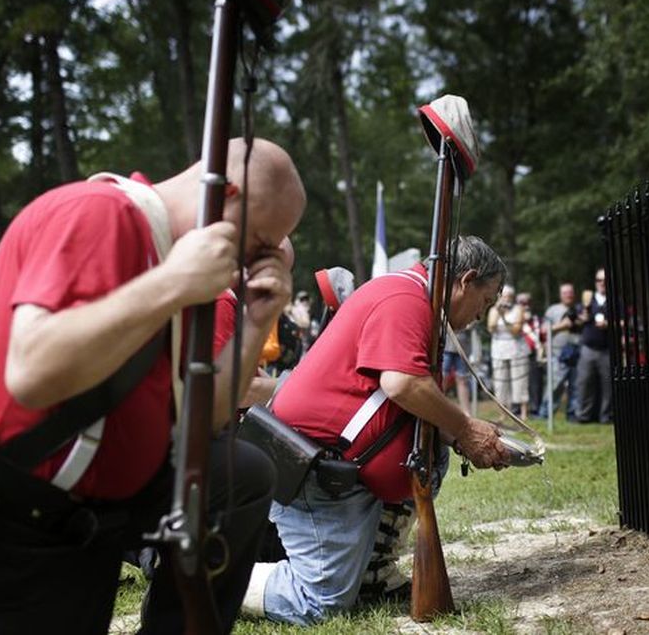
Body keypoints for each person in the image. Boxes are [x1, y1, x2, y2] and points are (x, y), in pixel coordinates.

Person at [0, 137, 306, 634]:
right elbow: (31, 371)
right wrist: (176, 283)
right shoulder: (102, 212)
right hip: (5, 516)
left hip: (81, 499)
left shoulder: (167, 259)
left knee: (239, 473)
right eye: (260, 243)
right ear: (225, 194)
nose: (256, 263)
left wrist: (257, 319)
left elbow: (206, 421)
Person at [241, 235, 511, 625]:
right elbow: (402, 383)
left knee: (429, 451)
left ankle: (373, 572)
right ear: (465, 281)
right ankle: (205, 579)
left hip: (331, 465)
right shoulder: (406, 298)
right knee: (317, 602)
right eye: (485, 301)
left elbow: (404, 399)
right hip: (312, 468)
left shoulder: (411, 296)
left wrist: (461, 435)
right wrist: (465, 428)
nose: (481, 314)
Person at [574, 268, 612, 424]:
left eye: (605, 280)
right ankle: (583, 416)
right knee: (584, 383)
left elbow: (624, 321)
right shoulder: (587, 301)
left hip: (607, 349)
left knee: (608, 385)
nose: (602, 283)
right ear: (595, 282)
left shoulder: (615, 301)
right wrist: (583, 315)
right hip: (588, 348)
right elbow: (577, 321)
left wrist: (608, 324)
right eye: (599, 280)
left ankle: (606, 417)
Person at [488, 284, 530, 419]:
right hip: (499, 350)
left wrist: (505, 319)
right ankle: (504, 413)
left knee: (520, 380)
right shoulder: (494, 310)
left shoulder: (519, 309)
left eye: (509, 297)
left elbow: (516, 331)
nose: (506, 299)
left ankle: (523, 413)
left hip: (517, 349)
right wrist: (498, 313)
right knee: (500, 382)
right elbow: (491, 328)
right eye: (504, 296)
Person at [541, 282, 581, 419]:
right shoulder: (553, 310)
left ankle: (573, 414)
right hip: (557, 353)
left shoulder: (579, 308)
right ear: (560, 295)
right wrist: (562, 326)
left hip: (577, 351)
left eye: (570, 292)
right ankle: (545, 414)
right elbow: (544, 330)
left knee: (576, 386)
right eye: (565, 293)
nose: (568, 295)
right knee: (555, 386)